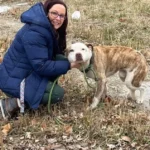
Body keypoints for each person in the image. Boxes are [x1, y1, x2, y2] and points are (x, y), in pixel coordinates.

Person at [0, 0, 81, 119]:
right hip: (13, 79)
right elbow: (41, 66)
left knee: (60, 59)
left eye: (62, 16)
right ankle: (12, 103)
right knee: (57, 94)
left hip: (26, 72)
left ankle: (38, 90)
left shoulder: (45, 28)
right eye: (54, 13)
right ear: (46, 12)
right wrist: (69, 65)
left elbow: (52, 57)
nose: (58, 18)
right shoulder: (35, 33)